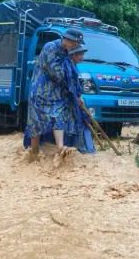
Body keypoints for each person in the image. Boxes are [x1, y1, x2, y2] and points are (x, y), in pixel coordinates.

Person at [24, 28, 95, 165]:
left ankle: (60, 149)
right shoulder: (50, 48)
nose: (76, 46)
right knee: (36, 123)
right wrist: (73, 93)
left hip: (56, 94)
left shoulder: (66, 52)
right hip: (41, 93)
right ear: (67, 40)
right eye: (75, 43)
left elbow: (72, 74)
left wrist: (78, 94)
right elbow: (58, 74)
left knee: (59, 118)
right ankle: (33, 154)